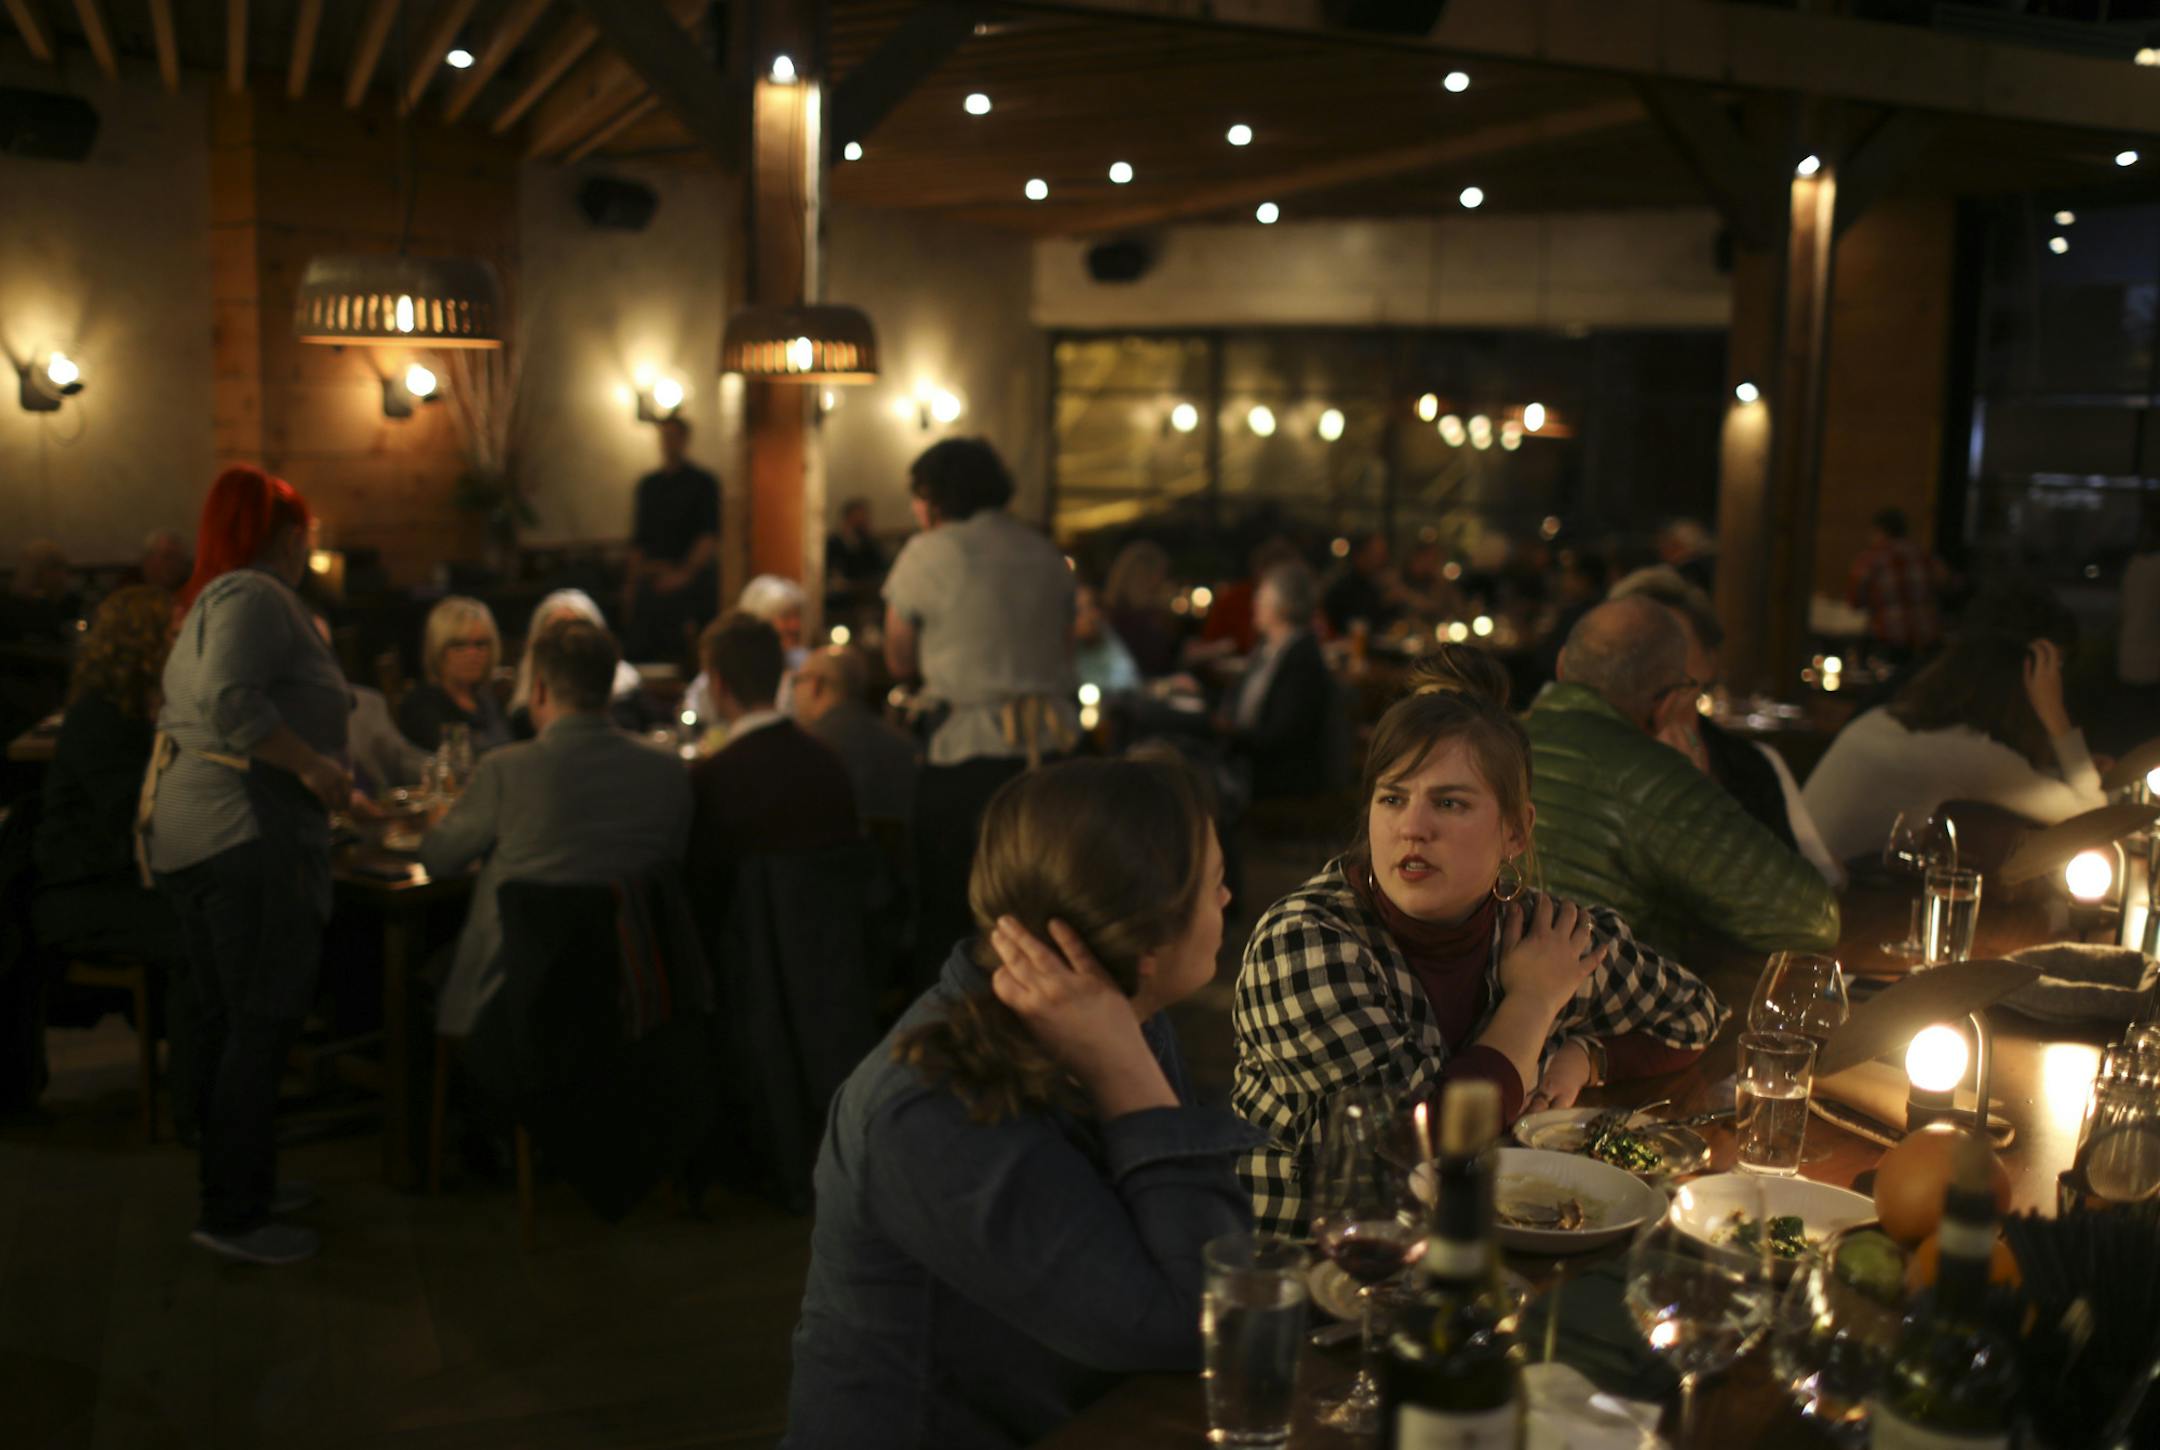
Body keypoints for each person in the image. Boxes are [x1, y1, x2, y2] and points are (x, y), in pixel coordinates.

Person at [781, 758, 1257, 1450]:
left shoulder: (1115, 1013)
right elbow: (1206, 1322)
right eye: (1213, 883)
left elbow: (1197, 1257)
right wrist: (1129, 1077)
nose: (1228, 897)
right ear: (1149, 938)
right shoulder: (928, 1112)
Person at [1232, 647, 1726, 1237]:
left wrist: (1586, 1057)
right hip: (1316, 1263)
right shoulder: (1305, 943)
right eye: (1393, 798)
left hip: (1490, 1250)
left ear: (1515, 831)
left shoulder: (1543, 936)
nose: (1412, 827)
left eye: (1449, 803)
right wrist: (1534, 1003)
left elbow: (1692, 1016)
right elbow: (1413, 1145)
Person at [144, 467, 353, 1266]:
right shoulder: (257, 596)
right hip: (241, 832)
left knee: (229, 1021)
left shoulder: (213, 598)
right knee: (261, 1021)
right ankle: (233, 1212)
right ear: (292, 537)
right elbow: (233, 702)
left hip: (201, 833)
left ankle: (241, 1181)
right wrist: (314, 767)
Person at [1526, 597, 1840, 958]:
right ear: (1667, 702)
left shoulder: (1499, 742)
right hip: (1604, 986)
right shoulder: (1655, 775)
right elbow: (1812, 919)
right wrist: (1697, 785)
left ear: (1562, 664)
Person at [423, 619, 692, 1037]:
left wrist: (439, 821)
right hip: (635, 993)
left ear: (540, 690)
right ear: (608, 687)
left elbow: (438, 859)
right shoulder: (667, 771)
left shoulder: (506, 770)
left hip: (516, 998)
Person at [884, 438, 1078, 981]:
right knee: (1041, 906)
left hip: (967, 753)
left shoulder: (929, 552)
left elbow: (899, 658)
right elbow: (1066, 647)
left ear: (933, 495)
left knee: (952, 906)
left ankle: (953, 1019)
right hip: (1052, 752)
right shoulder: (1043, 552)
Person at [31, 585, 197, 1130]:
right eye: (173, 634)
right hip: (83, 891)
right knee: (200, 935)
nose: (186, 644)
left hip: (129, 876)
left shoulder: (159, 708)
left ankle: (217, 1079)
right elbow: (133, 813)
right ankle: (197, 1104)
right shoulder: (99, 717)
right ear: (141, 644)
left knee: (226, 915)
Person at [1803, 581, 2107, 865]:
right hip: (1827, 898)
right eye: (2056, 669)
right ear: (2032, 673)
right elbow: (2093, 818)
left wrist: (2064, 770)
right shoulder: (1974, 756)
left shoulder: (1887, 719)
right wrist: (2056, 717)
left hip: (1797, 887)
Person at [1608, 566, 1843, 887]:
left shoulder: (1753, 764)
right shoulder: (1594, 762)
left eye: (1672, 643)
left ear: (1710, 661)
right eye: (1636, 646)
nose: (1655, 663)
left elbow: (1810, 883)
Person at [686, 613, 858, 908]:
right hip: (831, 930)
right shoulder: (831, 764)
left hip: (744, 934)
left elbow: (702, 892)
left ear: (718, 684)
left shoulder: (712, 781)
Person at [1222, 563, 1335, 800]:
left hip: (1277, 773)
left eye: (1262, 598)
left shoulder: (1302, 659)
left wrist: (1226, 733)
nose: (1255, 604)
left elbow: (1283, 735)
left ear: (1284, 606)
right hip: (1248, 757)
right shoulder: (1267, 649)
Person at [623, 415, 721, 666]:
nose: (669, 442)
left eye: (674, 437)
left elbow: (708, 536)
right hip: (653, 575)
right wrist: (632, 584)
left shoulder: (703, 484)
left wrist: (683, 574)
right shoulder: (648, 486)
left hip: (690, 579)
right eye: (665, 436)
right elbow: (639, 541)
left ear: (685, 440)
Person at [793, 644, 918, 829]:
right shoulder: (906, 746)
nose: (794, 691)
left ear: (815, 685)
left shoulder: (805, 750)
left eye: (797, 681)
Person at [506, 589, 650, 739]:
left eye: (576, 629)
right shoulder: (523, 710)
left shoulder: (628, 693)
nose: (568, 641)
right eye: (557, 631)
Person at [397, 596, 511, 757]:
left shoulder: (489, 699)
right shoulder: (421, 706)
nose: (472, 654)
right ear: (438, 649)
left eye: (480, 644)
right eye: (459, 645)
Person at [1846, 506, 1947, 664]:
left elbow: (1854, 601)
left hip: (1889, 642)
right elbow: (1947, 584)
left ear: (1878, 531)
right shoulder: (1924, 555)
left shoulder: (1870, 559)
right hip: (1928, 640)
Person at [1102, 539, 1181, 679]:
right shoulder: (1131, 619)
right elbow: (1152, 664)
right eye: (1161, 574)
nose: (1163, 581)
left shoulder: (1116, 614)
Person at [1321, 531, 1400, 636]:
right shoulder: (1344, 588)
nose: (1383, 559)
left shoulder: (1377, 584)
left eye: (1384, 554)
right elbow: (1359, 624)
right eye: (1377, 554)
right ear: (1360, 555)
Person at [1072, 583, 1142, 698]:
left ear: (1098, 613)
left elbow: (1127, 682)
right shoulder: (1067, 647)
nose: (1079, 618)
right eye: (1076, 611)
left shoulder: (1110, 643)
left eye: (1084, 609)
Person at [825, 497, 886, 594]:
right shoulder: (833, 543)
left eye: (864, 517)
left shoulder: (869, 543)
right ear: (847, 519)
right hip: (842, 596)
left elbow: (880, 568)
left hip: (867, 592)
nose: (863, 521)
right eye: (857, 517)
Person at [132, 529, 193, 594]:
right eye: (168, 556)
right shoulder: (131, 594)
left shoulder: (192, 594)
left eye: (179, 560)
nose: (173, 564)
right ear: (148, 560)